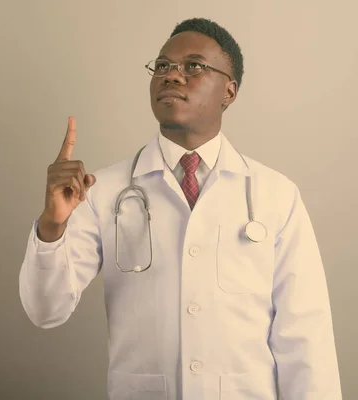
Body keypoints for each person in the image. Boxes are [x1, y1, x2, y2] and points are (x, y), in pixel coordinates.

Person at [18, 17, 342, 400]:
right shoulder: (102, 191)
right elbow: (45, 310)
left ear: (229, 90)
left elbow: (305, 338)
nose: (172, 76)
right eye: (163, 66)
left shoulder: (276, 195)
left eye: (193, 67)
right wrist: (53, 226)